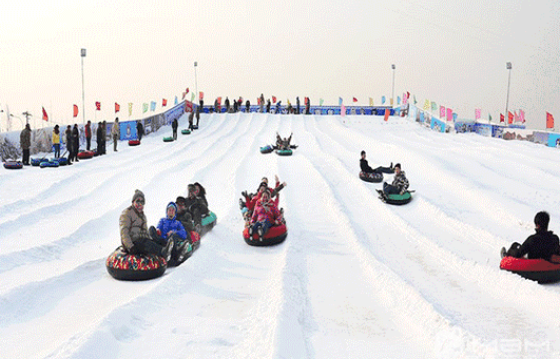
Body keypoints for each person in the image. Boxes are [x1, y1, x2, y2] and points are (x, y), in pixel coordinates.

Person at [119, 190, 174, 261]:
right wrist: (130, 247)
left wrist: (152, 240)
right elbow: (124, 232)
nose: (140, 204)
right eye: (138, 201)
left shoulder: (142, 215)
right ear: (133, 202)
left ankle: (167, 248)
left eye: (142, 202)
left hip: (141, 241)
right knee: (146, 243)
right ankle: (163, 252)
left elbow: (145, 232)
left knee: (151, 236)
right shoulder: (127, 213)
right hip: (133, 244)